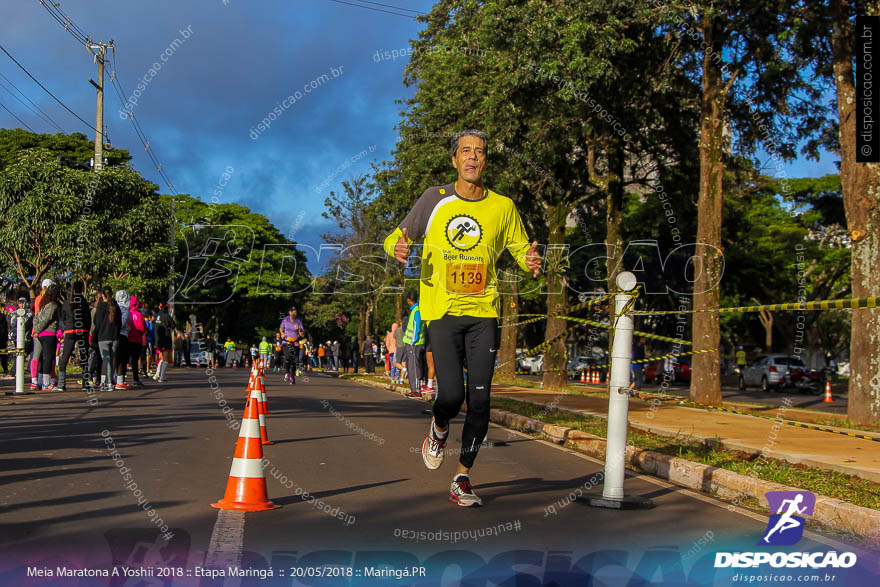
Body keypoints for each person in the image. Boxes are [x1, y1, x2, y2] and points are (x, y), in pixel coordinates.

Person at [383, 129, 542, 507]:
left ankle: (462, 477)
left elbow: (520, 247)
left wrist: (531, 259)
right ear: (454, 160)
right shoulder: (433, 199)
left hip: (484, 311)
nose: (472, 157)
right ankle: (438, 429)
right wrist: (398, 246)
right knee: (451, 395)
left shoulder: (503, 207)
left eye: (480, 151)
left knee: (481, 400)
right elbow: (396, 236)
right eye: (465, 151)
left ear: (486, 160)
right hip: (442, 311)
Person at [58, 281, 91, 391]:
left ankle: (61, 384)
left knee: (65, 356)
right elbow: (88, 319)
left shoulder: (67, 302)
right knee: (84, 357)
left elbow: (63, 317)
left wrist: (67, 326)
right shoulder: (84, 302)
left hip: (70, 331)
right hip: (82, 331)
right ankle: (85, 383)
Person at [32, 284, 62, 391]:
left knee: (42, 358)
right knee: (48, 359)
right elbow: (46, 319)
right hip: (49, 334)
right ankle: (46, 383)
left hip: (41, 335)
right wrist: (38, 329)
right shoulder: (53, 305)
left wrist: (36, 329)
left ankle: (40, 382)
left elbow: (36, 317)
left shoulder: (43, 304)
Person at [93, 287, 121, 391]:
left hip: (103, 337)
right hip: (114, 337)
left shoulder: (100, 307)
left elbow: (96, 322)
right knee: (112, 360)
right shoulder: (115, 306)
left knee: (106, 360)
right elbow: (120, 323)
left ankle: (108, 383)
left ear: (102, 295)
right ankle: (109, 381)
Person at [401, 292, 425, 398]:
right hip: (412, 343)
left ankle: (416, 390)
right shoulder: (415, 310)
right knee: (412, 366)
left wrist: (413, 341)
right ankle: (414, 389)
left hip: (414, 344)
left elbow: (416, 327)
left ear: (409, 300)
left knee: (413, 367)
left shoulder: (417, 311)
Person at [279, 306, 305, 384]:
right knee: (287, 357)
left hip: (295, 343)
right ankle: (287, 372)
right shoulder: (285, 320)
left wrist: (298, 329)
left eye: (295, 312)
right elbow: (281, 328)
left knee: (293, 361)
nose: (294, 313)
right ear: (289, 312)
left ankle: (292, 376)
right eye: (292, 311)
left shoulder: (298, 322)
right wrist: (282, 333)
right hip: (286, 342)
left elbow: (302, 334)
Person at [126, 296, 147, 386]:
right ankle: (135, 379)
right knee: (135, 360)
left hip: (127, 339)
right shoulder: (139, 315)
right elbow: (143, 328)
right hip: (137, 340)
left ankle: (121, 379)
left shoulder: (126, 313)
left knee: (124, 360)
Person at [114, 290, 131, 390]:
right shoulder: (124, 310)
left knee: (113, 358)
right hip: (122, 336)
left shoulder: (113, 308)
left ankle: (109, 380)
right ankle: (120, 381)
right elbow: (123, 323)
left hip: (112, 335)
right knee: (121, 359)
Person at [152, 303, 174, 382]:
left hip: (158, 339)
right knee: (166, 358)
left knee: (161, 357)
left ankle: (157, 374)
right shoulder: (167, 316)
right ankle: (162, 377)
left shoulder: (155, 316)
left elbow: (154, 326)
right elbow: (173, 326)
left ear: (159, 307)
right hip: (166, 339)